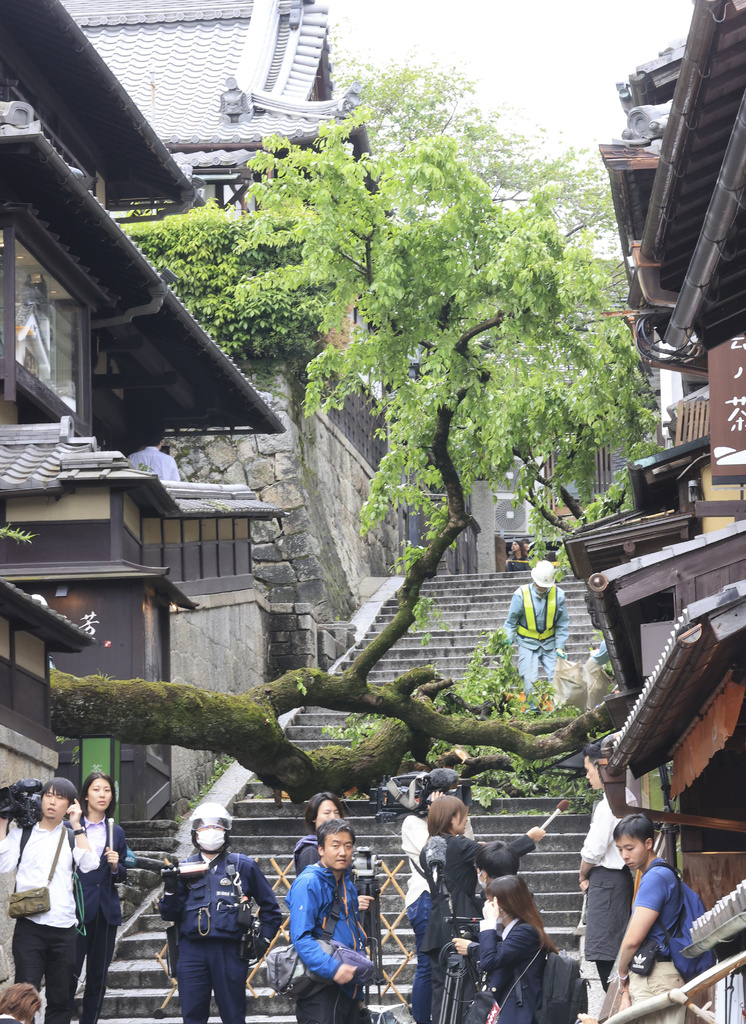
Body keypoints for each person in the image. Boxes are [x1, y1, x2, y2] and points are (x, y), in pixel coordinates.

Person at [419, 797, 546, 1024]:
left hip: (436, 925)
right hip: (462, 923)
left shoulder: (428, 848)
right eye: (463, 816)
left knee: (441, 994)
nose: (466, 820)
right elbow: (499, 856)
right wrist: (529, 839)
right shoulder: (458, 844)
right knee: (466, 995)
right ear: (451, 818)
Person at [159, 801, 281, 1024]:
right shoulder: (185, 868)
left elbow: (271, 909)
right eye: (204, 827)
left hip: (230, 951)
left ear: (226, 832)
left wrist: (264, 938)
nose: (211, 832)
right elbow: (169, 914)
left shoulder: (242, 866)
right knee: (192, 1016)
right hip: (191, 952)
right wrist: (169, 889)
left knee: (234, 1016)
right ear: (195, 833)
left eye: (217, 827)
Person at [0, 778, 98, 1024]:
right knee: (22, 998)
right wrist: (2, 822)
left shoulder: (71, 835)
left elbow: (90, 865)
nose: (52, 802)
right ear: (41, 799)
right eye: (49, 796)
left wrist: (77, 826)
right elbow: (3, 865)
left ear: (70, 805)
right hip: (29, 929)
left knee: (60, 999)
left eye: (60, 798)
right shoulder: (22, 834)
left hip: (64, 930)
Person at [286, 817, 374, 1024]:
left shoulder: (346, 883)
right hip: (320, 987)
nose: (342, 852)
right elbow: (301, 938)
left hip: (347, 986)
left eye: (347, 846)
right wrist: (333, 969)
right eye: (335, 845)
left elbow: (353, 936)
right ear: (321, 850)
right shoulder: (308, 884)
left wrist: (358, 995)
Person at [613, 815, 687, 1024]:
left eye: (629, 847)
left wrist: (621, 973)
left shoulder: (654, 878)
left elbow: (633, 939)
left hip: (654, 977)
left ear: (648, 843)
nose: (624, 855)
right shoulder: (662, 872)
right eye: (620, 849)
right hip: (660, 974)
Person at [70, 772, 128, 1024]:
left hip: (105, 912)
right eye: (96, 789)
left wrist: (116, 867)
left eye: (107, 790)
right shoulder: (69, 828)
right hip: (75, 912)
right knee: (68, 974)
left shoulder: (116, 831)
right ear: (85, 795)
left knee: (98, 976)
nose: (102, 795)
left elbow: (121, 874)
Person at [578, 742, 635, 991]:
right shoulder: (626, 795)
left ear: (601, 768)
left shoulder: (609, 802)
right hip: (618, 879)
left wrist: (582, 872)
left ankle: (615, 1004)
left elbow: (593, 850)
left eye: (588, 770)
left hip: (607, 880)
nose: (588, 776)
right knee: (612, 945)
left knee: (606, 950)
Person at [475, 875, 557, 1024]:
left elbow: (489, 961)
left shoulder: (525, 932)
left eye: (490, 901)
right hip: (513, 1006)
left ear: (503, 905)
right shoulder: (513, 930)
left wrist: (489, 923)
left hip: (520, 1010)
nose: (486, 906)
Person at [503, 560, 570, 695]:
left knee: (557, 677)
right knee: (529, 680)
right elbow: (511, 621)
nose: (542, 588)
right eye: (540, 586)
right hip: (527, 642)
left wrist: (559, 646)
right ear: (534, 580)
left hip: (549, 643)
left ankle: (557, 708)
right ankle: (532, 710)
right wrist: (507, 638)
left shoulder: (558, 595)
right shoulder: (520, 594)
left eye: (545, 586)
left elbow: (562, 623)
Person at [293, 792, 346, 876]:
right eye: (327, 813)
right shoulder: (311, 850)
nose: (333, 817)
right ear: (314, 817)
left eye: (336, 812)